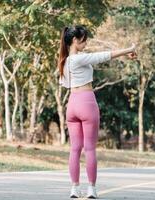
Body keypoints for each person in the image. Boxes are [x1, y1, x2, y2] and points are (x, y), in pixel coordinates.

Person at [58, 25, 137, 199]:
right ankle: (91, 189)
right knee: (90, 149)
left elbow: (64, 83)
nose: (85, 43)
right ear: (74, 41)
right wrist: (128, 50)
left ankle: (74, 188)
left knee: (75, 149)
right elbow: (103, 56)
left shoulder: (63, 61)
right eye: (83, 40)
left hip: (72, 105)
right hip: (86, 102)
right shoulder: (77, 59)